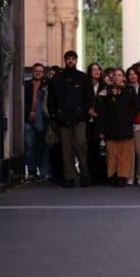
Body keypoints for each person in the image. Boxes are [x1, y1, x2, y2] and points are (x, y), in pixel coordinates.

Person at [48, 50, 94, 188]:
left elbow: (89, 98)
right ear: (65, 60)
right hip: (63, 120)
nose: (70, 61)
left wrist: (83, 113)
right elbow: (51, 100)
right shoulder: (57, 79)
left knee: (81, 145)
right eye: (68, 59)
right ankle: (69, 176)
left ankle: (85, 174)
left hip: (79, 119)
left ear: (76, 60)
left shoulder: (83, 78)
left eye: (73, 59)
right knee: (66, 149)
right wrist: (55, 115)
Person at [96, 68, 137, 187]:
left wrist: (128, 119)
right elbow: (102, 111)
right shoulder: (106, 91)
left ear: (123, 77)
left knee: (124, 154)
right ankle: (113, 175)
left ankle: (122, 176)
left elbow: (135, 107)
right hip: (110, 127)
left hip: (125, 126)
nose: (117, 77)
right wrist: (101, 129)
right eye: (115, 75)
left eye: (119, 75)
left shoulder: (130, 90)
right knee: (112, 153)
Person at [23, 63, 49, 181]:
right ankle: (32, 171)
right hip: (28, 119)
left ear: (43, 73)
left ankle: (41, 169)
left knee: (40, 145)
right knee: (29, 145)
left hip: (41, 119)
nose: (38, 73)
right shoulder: (26, 85)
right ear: (32, 72)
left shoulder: (46, 85)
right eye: (36, 71)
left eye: (40, 71)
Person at [85, 62, 107, 185]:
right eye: (93, 70)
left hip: (100, 121)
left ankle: (102, 176)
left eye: (98, 69)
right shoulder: (85, 85)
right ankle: (91, 175)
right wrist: (88, 110)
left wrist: (98, 113)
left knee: (101, 150)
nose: (96, 72)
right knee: (90, 149)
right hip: (88, 121)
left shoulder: (105, 86)